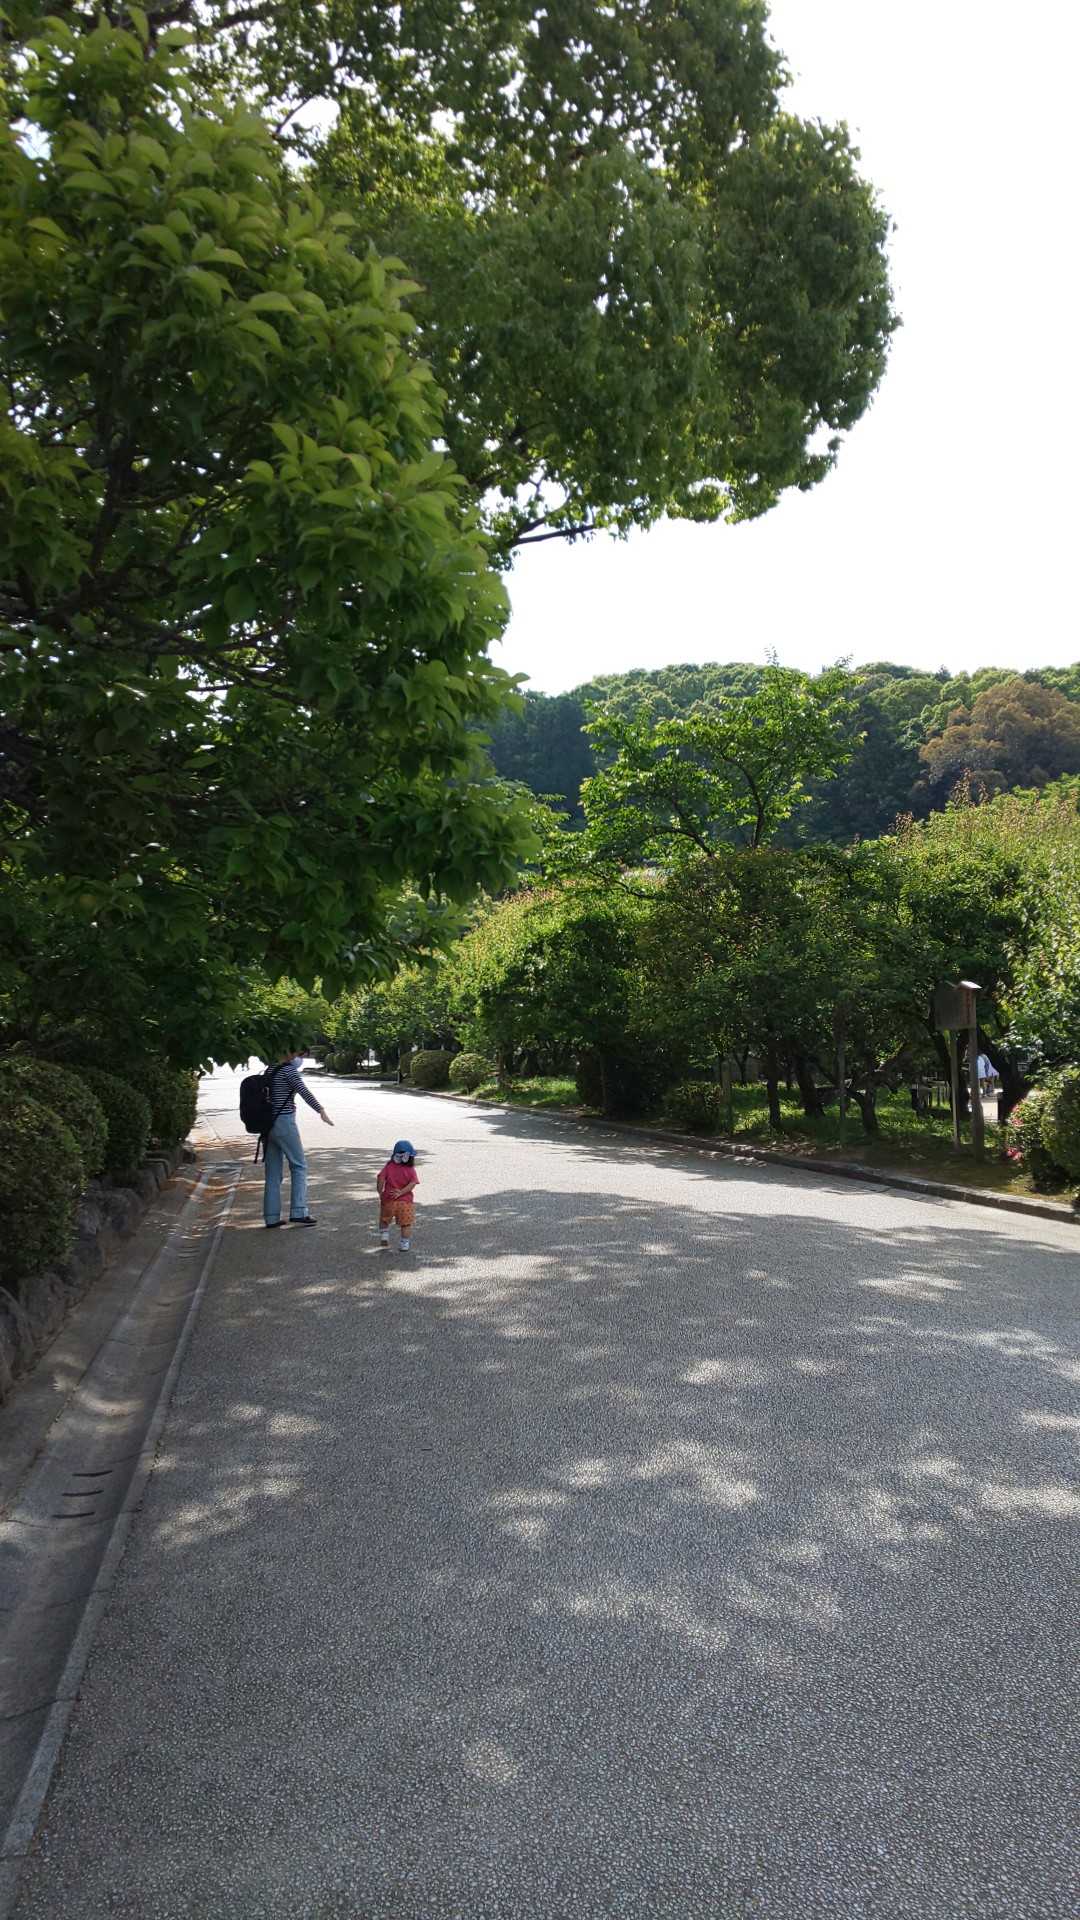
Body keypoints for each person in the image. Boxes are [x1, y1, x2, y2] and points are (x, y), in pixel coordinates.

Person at [263, 1047, 333, 1229]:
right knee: (299, 1166)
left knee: (272, 1173)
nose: (299, 1059)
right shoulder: (288, 1070)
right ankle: (299, 1211)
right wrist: (321, 1110)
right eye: (299, 1054)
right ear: (290, 1052)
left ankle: (271, 1216)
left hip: (267, 1124)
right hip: (284, 1122)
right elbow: (304, 1091)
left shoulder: (270, 1068)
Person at [377, 1140, 419, 1251]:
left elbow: (380, 1178)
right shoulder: (410, 1169)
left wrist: (380, 1192)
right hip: (405, 1202)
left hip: (389, 1199)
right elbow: (413, 1183)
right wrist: (401, 1192)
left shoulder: (389, 1166)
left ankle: (384, 1235)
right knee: (406, 1224)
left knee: (384, 1219)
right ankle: (404, 1244)